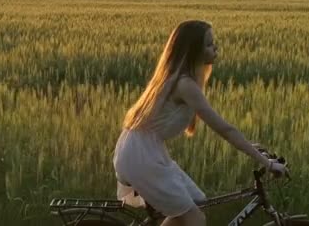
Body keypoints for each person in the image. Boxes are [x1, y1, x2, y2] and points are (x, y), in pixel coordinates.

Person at [112, 20, 288, 226]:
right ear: (193, 51)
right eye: (209, 44)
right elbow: (224, 129)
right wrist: (267, 163)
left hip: (143, 151)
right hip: (142, 157)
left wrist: (251, 148)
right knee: (195, 219)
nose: (216, 48)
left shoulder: (179, 78)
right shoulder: (185, 84)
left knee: (196, 204)